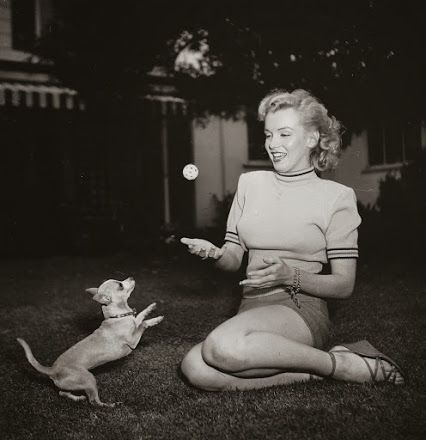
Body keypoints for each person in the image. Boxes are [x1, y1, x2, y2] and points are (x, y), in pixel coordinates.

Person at [180, 89, 405, 391]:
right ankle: (322, 369)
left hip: (300, 308)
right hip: (251, 308)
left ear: (312, 138)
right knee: (194, 368)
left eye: (284, 134)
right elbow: (233, 259)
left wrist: (290, 274)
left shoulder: (336, 197)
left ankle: (344, 366)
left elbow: (344, 284)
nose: (273, 144)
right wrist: (214, 254)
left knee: (221, 348)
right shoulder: (250, 184)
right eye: (268, 134)